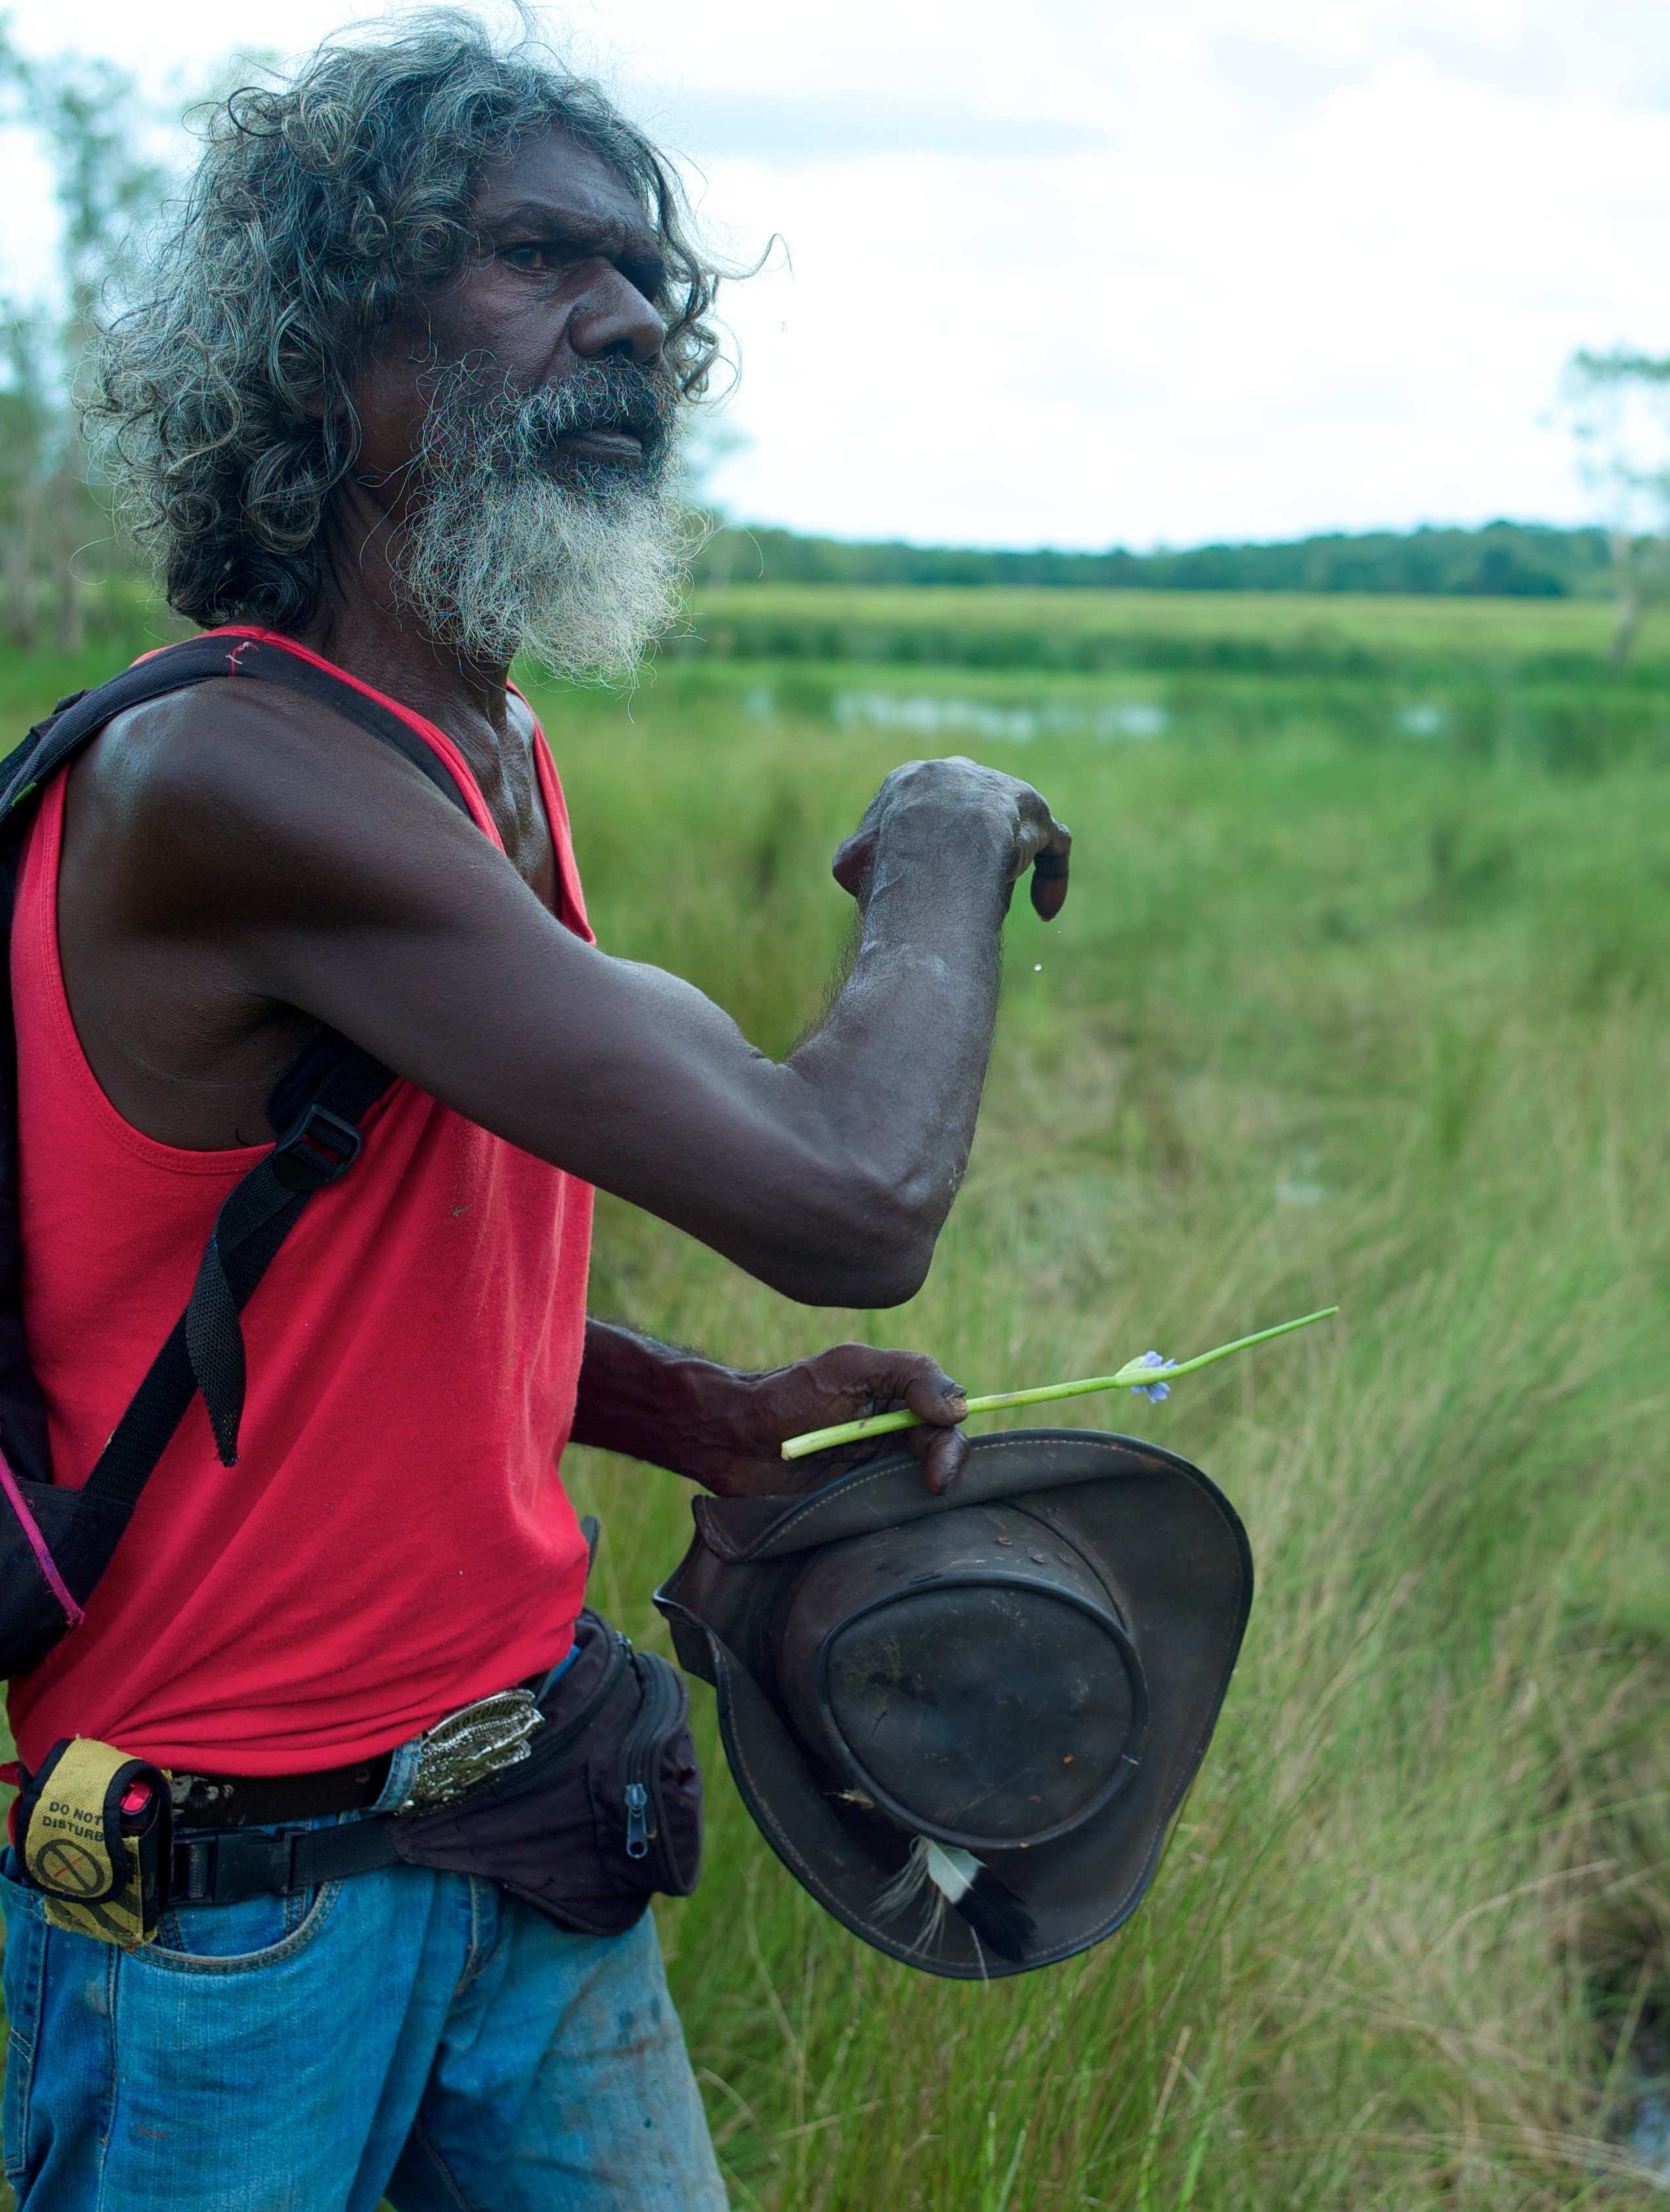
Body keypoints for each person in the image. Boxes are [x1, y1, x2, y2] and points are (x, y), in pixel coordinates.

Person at [0, 17, 1069, 2208]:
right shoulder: (232, 779)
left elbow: (323, 1294)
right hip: (237, 1908)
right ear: (326, 350)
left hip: (529, 1805)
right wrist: (946, 829)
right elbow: (854, 1194)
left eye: (650, 279)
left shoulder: (471, 743)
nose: (633, 325)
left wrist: (677, 1405)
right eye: (537, 262)